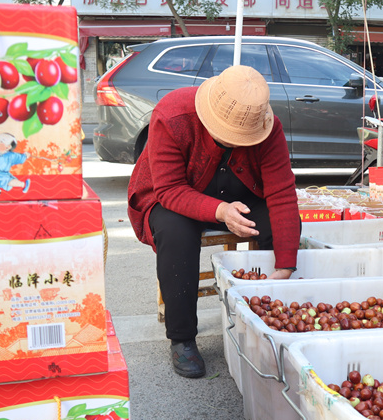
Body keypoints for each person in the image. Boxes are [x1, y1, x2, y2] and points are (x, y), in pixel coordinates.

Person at [128, 65, 300, 378]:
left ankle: (285, 308)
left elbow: (282, 193)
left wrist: (286, 264)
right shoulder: (172, 115)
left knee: (280, 224)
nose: (235, 142)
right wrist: (220, 210)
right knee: (176, 232)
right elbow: (168, 189)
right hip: (174, 192)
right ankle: (182, 338)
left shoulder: (267, 126)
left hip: (239, 187)